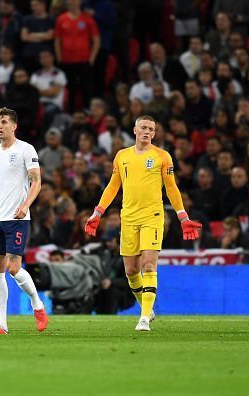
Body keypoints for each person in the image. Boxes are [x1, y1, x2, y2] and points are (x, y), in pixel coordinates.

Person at [84, 115, 202, 331]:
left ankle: (144, 317)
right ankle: (147, 308)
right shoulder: (122, 156)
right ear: (135, 130)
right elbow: (112, 186)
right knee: (130, 270)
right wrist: (97, 213)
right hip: (127, 218)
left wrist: (182, 216)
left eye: (151, 129)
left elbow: (172, 188)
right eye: (143, 128)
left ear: (154, 134)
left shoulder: (162, 156)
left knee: (148, 263)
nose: (147, 132)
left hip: (153, 217)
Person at [0, 107, 49, 335]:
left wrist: (26, 204)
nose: (0, 126)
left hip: (17, 218)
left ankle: (37, 304)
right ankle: (1, 324)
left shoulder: (25, 150)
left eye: (4, 122)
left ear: (14, 125)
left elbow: (36, 181)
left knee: (13, 267)